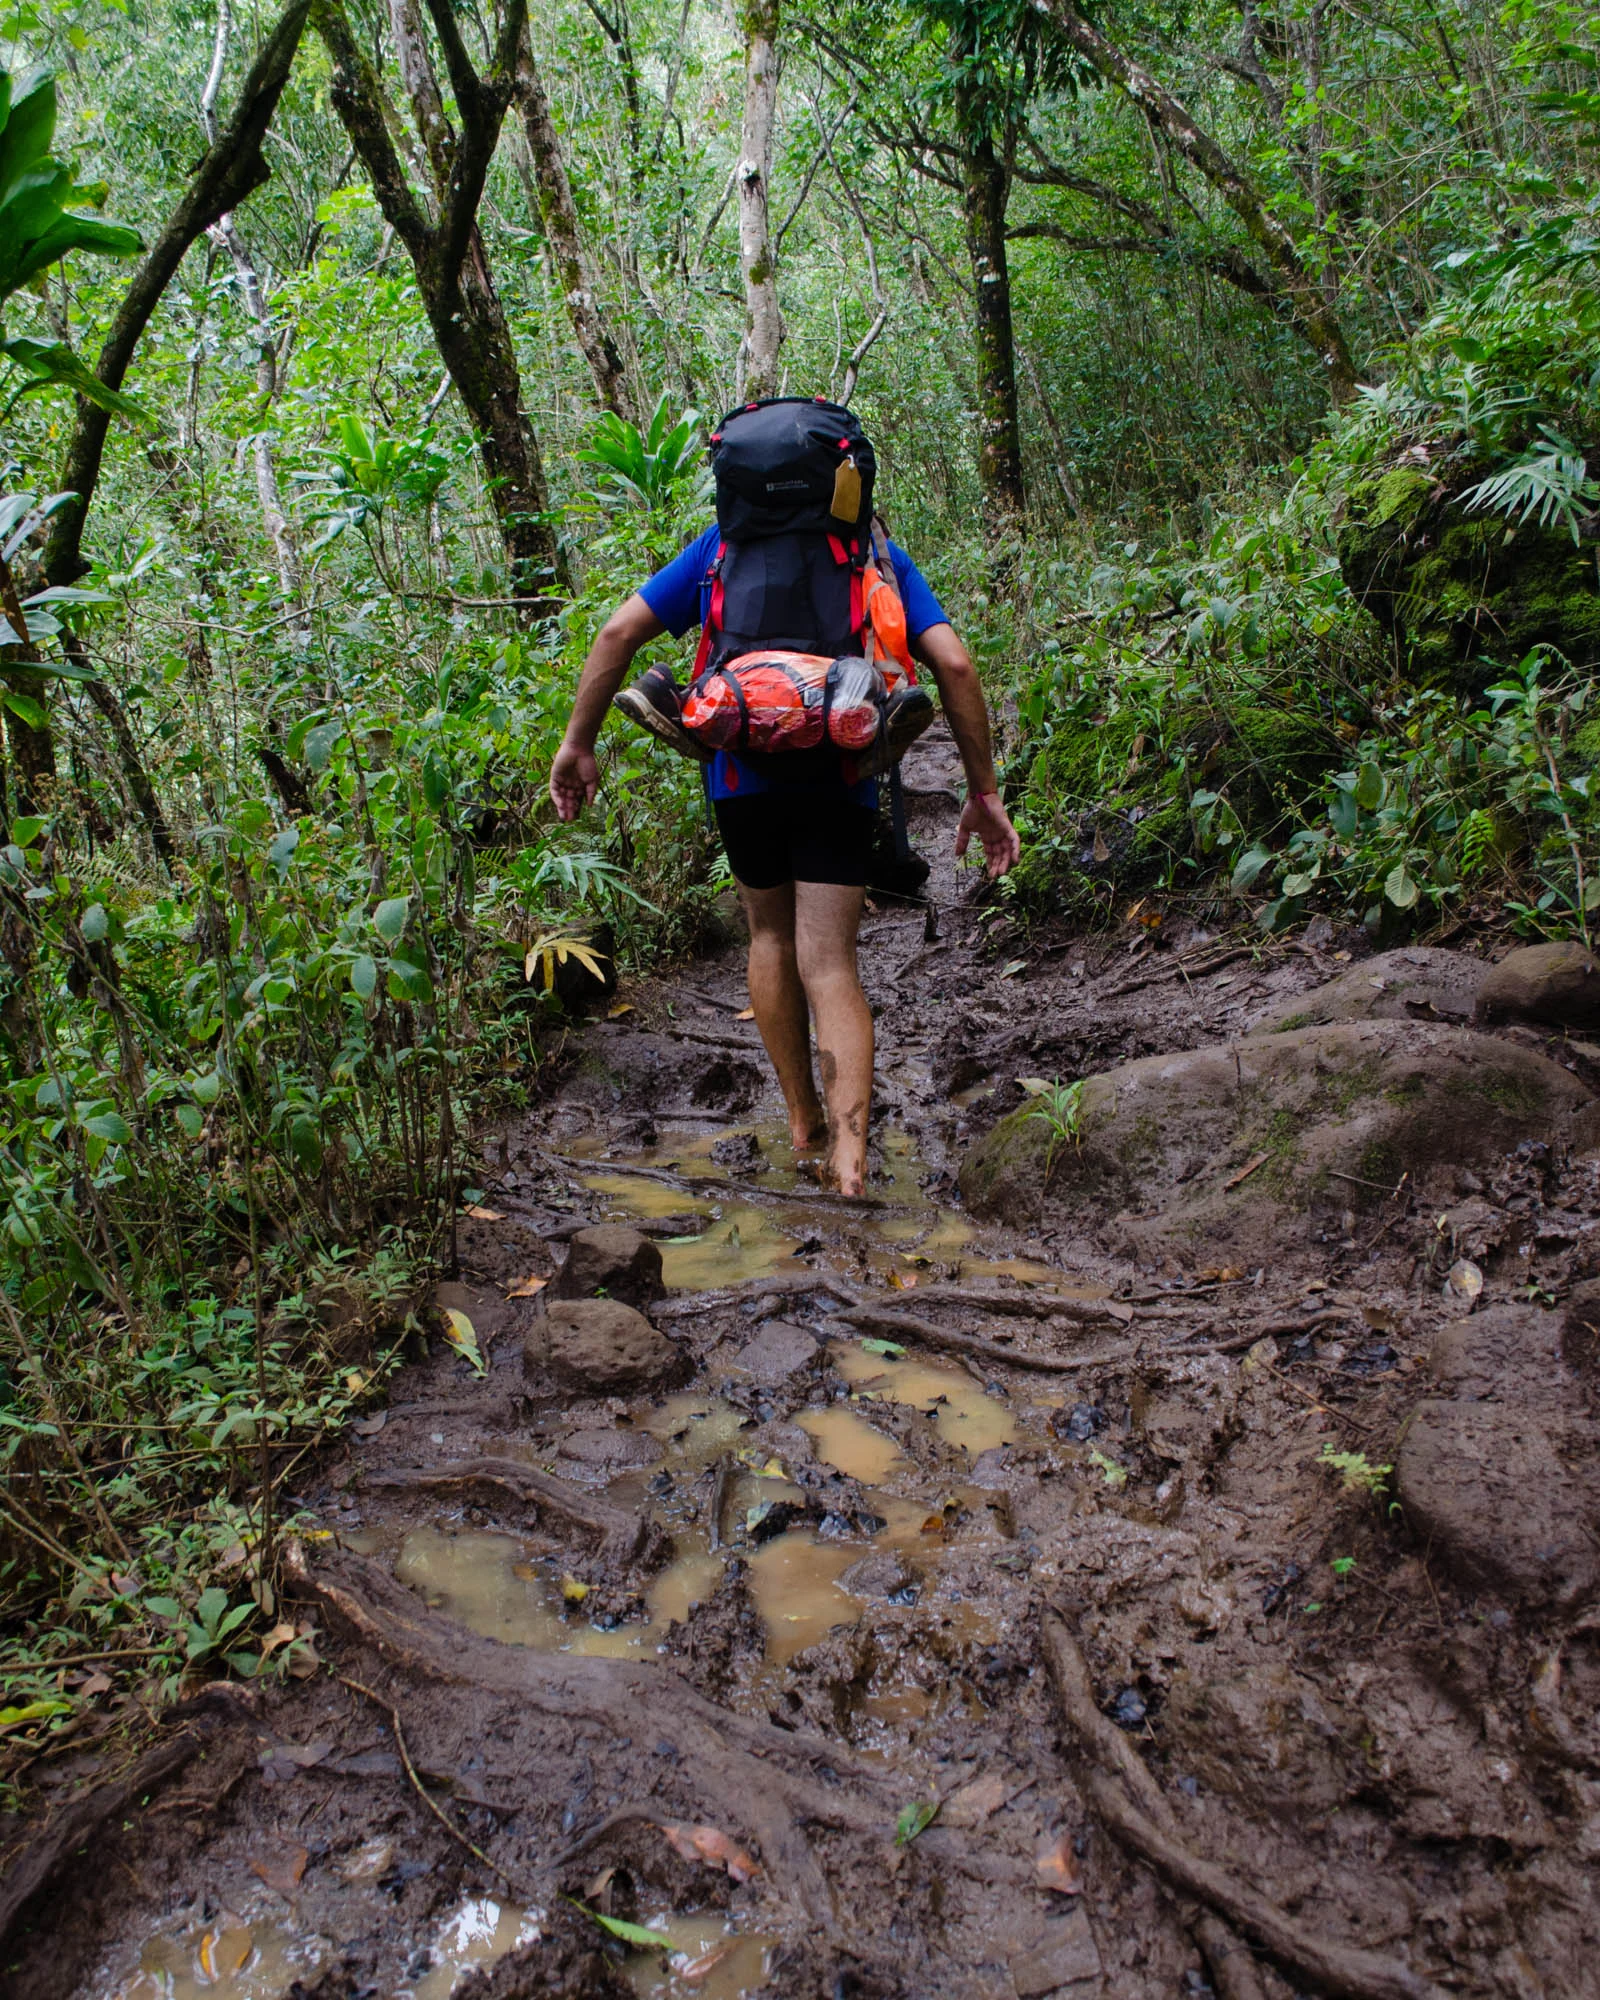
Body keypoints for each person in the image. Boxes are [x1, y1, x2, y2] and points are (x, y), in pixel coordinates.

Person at [549, 509, 1020, 1199]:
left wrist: (577, 744)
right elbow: (953, 661)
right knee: (829, 963)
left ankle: (803, 1124)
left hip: (742, 773)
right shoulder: (871, 551)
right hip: (840, 765)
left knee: (769, 935)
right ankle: (852, 1161)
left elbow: (618, 631)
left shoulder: (722, 547)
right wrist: (982, 792)